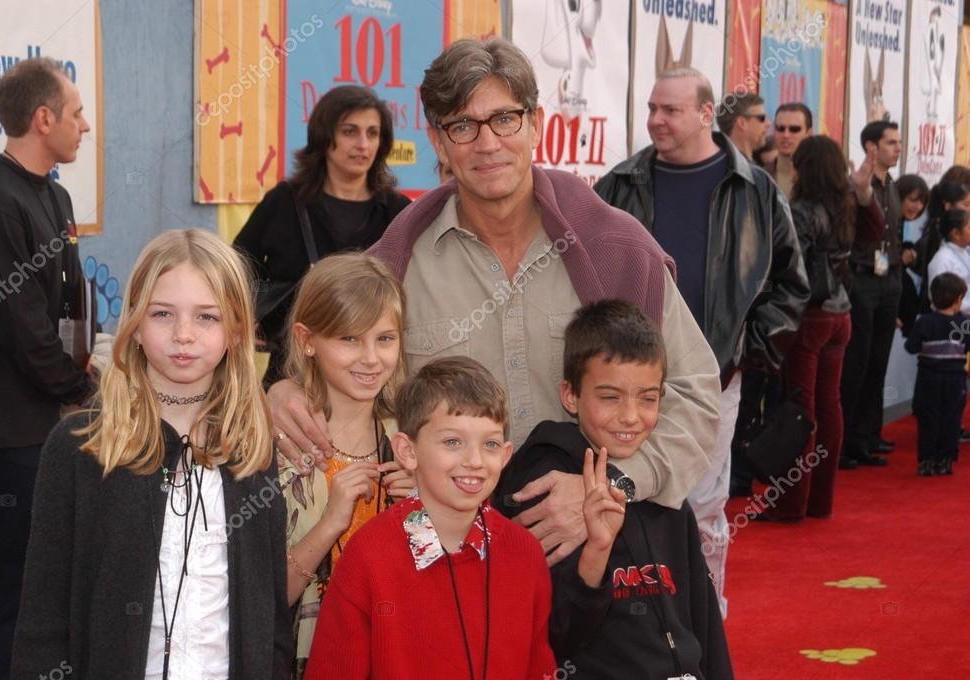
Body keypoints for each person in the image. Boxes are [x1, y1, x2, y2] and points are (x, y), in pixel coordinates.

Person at [269, 38, 722, 570]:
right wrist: (286, 389)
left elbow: (695, 396)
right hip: (449, 567)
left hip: (599, 560)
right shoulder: (395, 267)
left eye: (505, 119)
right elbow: (347, 382)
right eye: (462, 125)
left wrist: (612, 487)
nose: (487, 144)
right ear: (437, 140)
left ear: (536, 124)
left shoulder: (617, 251)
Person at [10, 229, 292, 679]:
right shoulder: (80, 448)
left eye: (206, 317)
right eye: (162, 314)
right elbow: (42, 623)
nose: (184, 335)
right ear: (136, 326)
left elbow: (269, 616)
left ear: (236, 330)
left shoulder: (251, 449)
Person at [593, 67, 808, 615]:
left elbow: (791, 286)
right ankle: (637, 629)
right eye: (651, 108)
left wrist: (741, 355)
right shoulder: (620, 183)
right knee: (621, 499)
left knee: (705, 508)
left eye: (669, 110)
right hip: (623, 381)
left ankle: (705, 624)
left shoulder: (756, 192)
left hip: (712, 382)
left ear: (707, 114)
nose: (655, 121)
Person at [0, 57, 95, 678]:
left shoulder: (55, 194)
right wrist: (80, 387)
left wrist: (91, 363)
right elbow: (22, 329)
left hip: (50, 423)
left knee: (40, 584)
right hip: (8, 433)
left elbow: (65, 304)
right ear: (43, 119)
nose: (84, 126)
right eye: (76, 113)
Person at [495, 299, 733, 678]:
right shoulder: (547, 490)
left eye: (648, 399)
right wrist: (597, 552)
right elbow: (557, 635)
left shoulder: (664, 490)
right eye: (610, 397)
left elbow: (702, 621)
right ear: (570, 395)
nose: (630, 416)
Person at [304, 357, 556, 679]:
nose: (475, 461)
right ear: (408, 452)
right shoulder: (369, 557)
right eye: (453, 442)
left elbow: (540, 668)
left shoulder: (525, 553)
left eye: (490, 444)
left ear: (506, 455)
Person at [278, 253, 413, 675]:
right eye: (350, 339)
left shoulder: (413, 443)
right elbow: (262, 598)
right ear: (307, 340)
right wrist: (331, 522)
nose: (371, 358)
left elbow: (439, 581)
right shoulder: (275, 447)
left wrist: (427, 510)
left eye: (385, 339)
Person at [233, 85, 411, 386]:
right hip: (293, 370)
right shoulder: (285, 201)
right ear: (324, 137)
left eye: (372, 133)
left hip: (370, 373)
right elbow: (237, 265)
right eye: (350, 132)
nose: (363, 144)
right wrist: (258, 311)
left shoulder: (397, 212)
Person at [759, 136, 856, 521]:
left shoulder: (802, 210)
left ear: (805, 168)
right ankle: (819, 502)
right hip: (841, 315)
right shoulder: (845, 206)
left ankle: (790, 503)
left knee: (800, 407)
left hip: (810, 317)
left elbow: (789, 268)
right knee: (829, 406)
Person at [839, 120, 905, 469]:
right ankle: (847, 443)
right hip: (862, 279)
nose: (898, 147)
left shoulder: (892, 184)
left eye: (899, 141)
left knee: (878, 362)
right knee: (857, 364)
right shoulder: (857, 186)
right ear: (871, 147)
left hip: (889, 279)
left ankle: (868, 435)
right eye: (891, 142)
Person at [905, 272, 970, 476]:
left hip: (928, 378)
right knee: (951, 419)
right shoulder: (964, 323)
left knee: (928, 419)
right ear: (959, 299)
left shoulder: (924, 321)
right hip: (955, 379)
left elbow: (911, 347)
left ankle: (927, 460)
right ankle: (946, 460)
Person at [896, 174, 930, 334]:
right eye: (912, 200)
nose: (917, 206)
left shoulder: (900, 221)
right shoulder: (888, 220)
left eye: (921, 202)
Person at [766, 102, 814, 196]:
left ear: (809, 133)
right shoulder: (759, 176)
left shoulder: (825, 179)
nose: (786, 135)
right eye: (780, 128)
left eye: (794, 129)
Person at [926, 211, 970, 311]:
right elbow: (939, 298)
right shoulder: (942, 259)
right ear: (956, 234)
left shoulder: (966, 251)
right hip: (950, 320)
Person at [716, 91, 770, 161]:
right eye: (762, 118)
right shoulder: (724, 168)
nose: (768, 123)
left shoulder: (718, 162)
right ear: (742, 123)